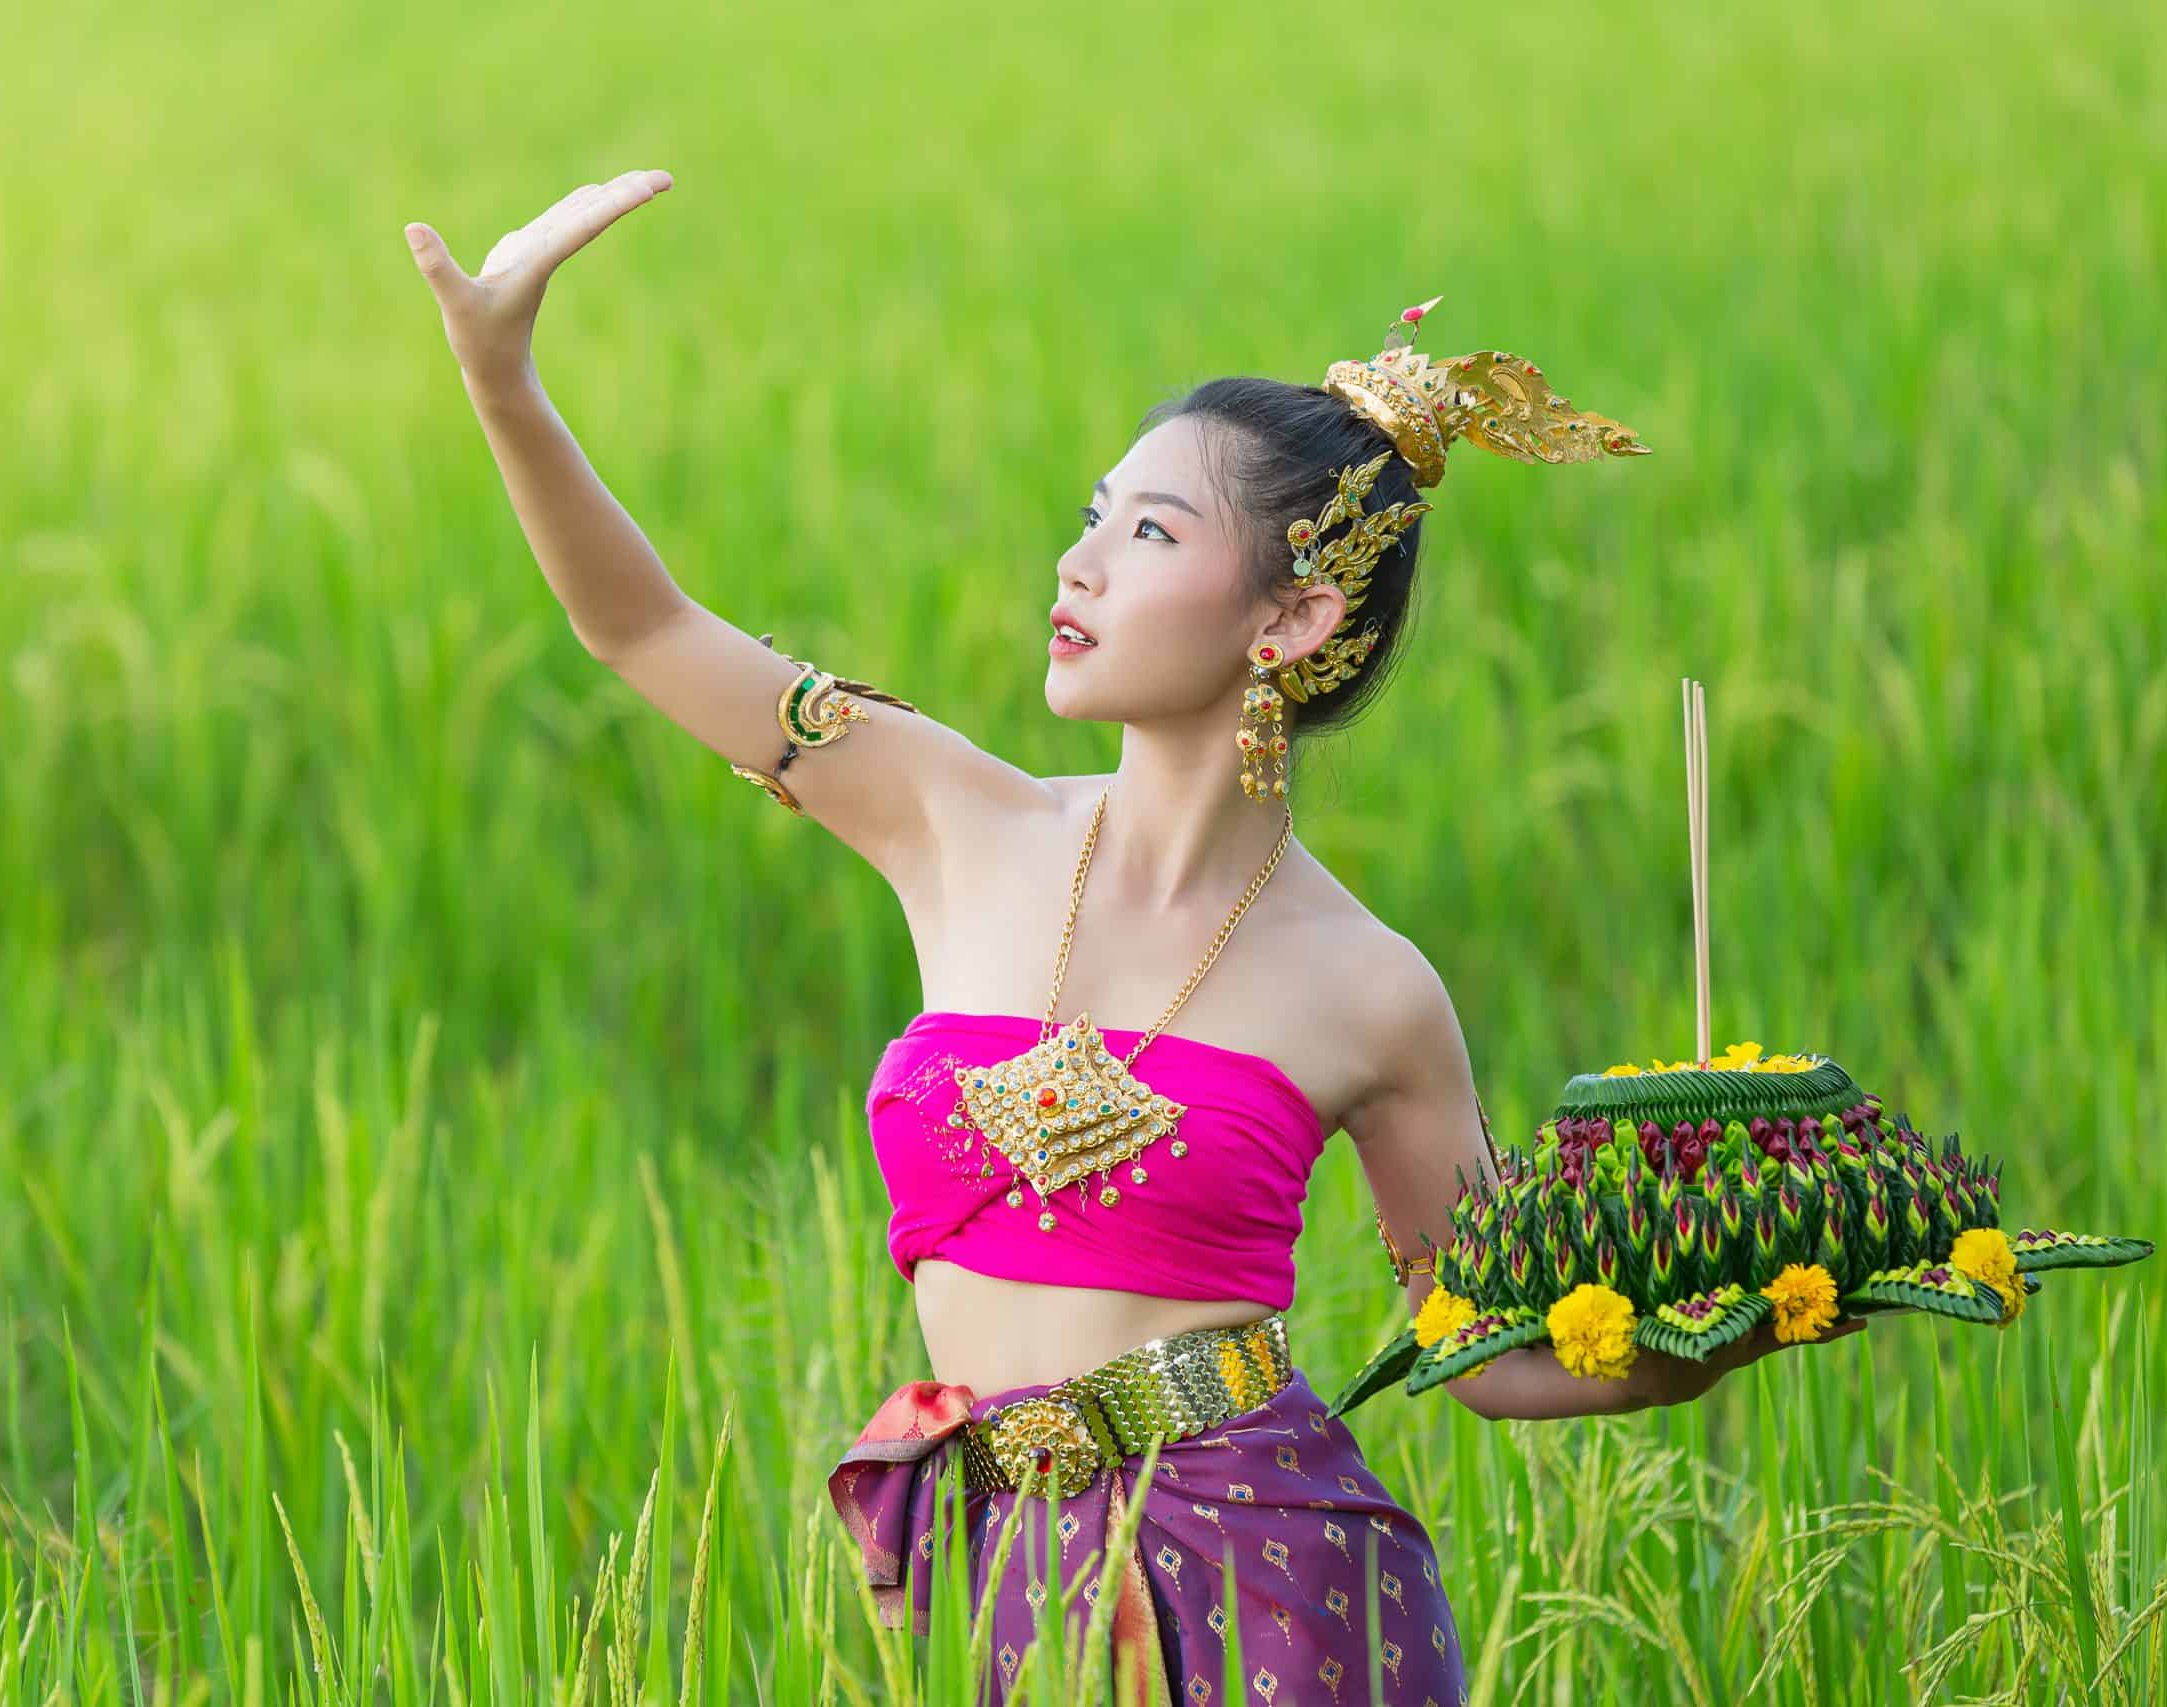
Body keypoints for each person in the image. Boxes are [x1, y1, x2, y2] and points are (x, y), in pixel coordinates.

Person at [403, 171, 1865, 1707]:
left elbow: (1487, 1351)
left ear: (1288, 622)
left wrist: (1719, 1333)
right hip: (990, 1561)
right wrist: (502, 380)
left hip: (1275, 1580)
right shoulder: (946, 817)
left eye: (1148, 532)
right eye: (1091, 518)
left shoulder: (1373, 990)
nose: (1077, 564)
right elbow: (641, 631)